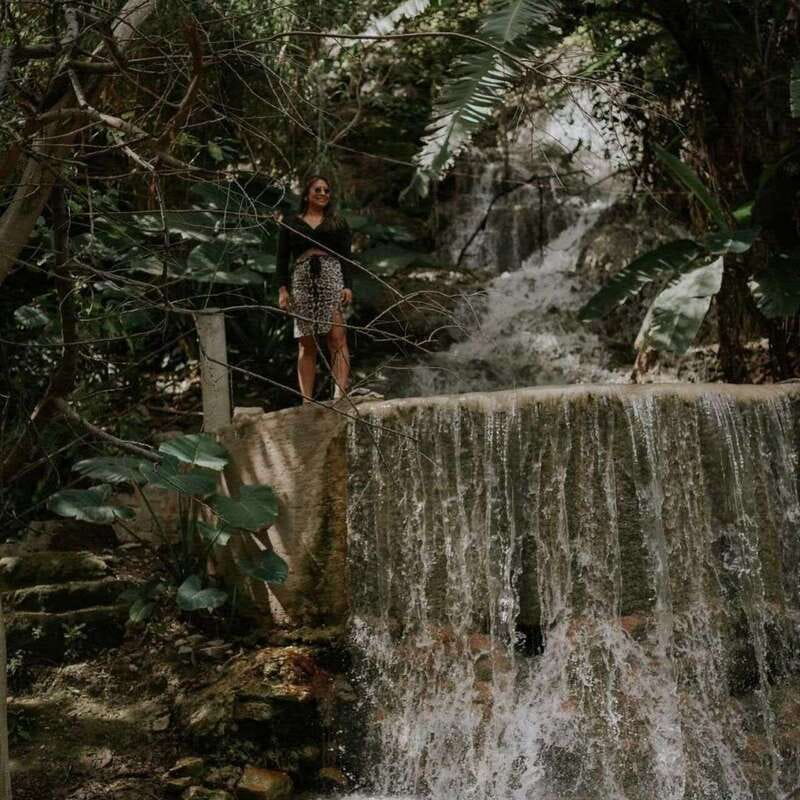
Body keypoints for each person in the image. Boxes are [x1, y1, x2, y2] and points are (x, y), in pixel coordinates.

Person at [276, 175, 353, 402]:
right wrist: (283, 290)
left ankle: (339, 394)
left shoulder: (337, 223)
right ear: (307, 194)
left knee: (337, 337)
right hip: (302, 280)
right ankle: (306, 400)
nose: (322, 193)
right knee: (306, 341)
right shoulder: (291, 223)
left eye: (326, 190)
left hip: (331, 276)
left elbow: (346, 257)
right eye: (317, 189)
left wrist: (348, 286)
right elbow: (281, 260)